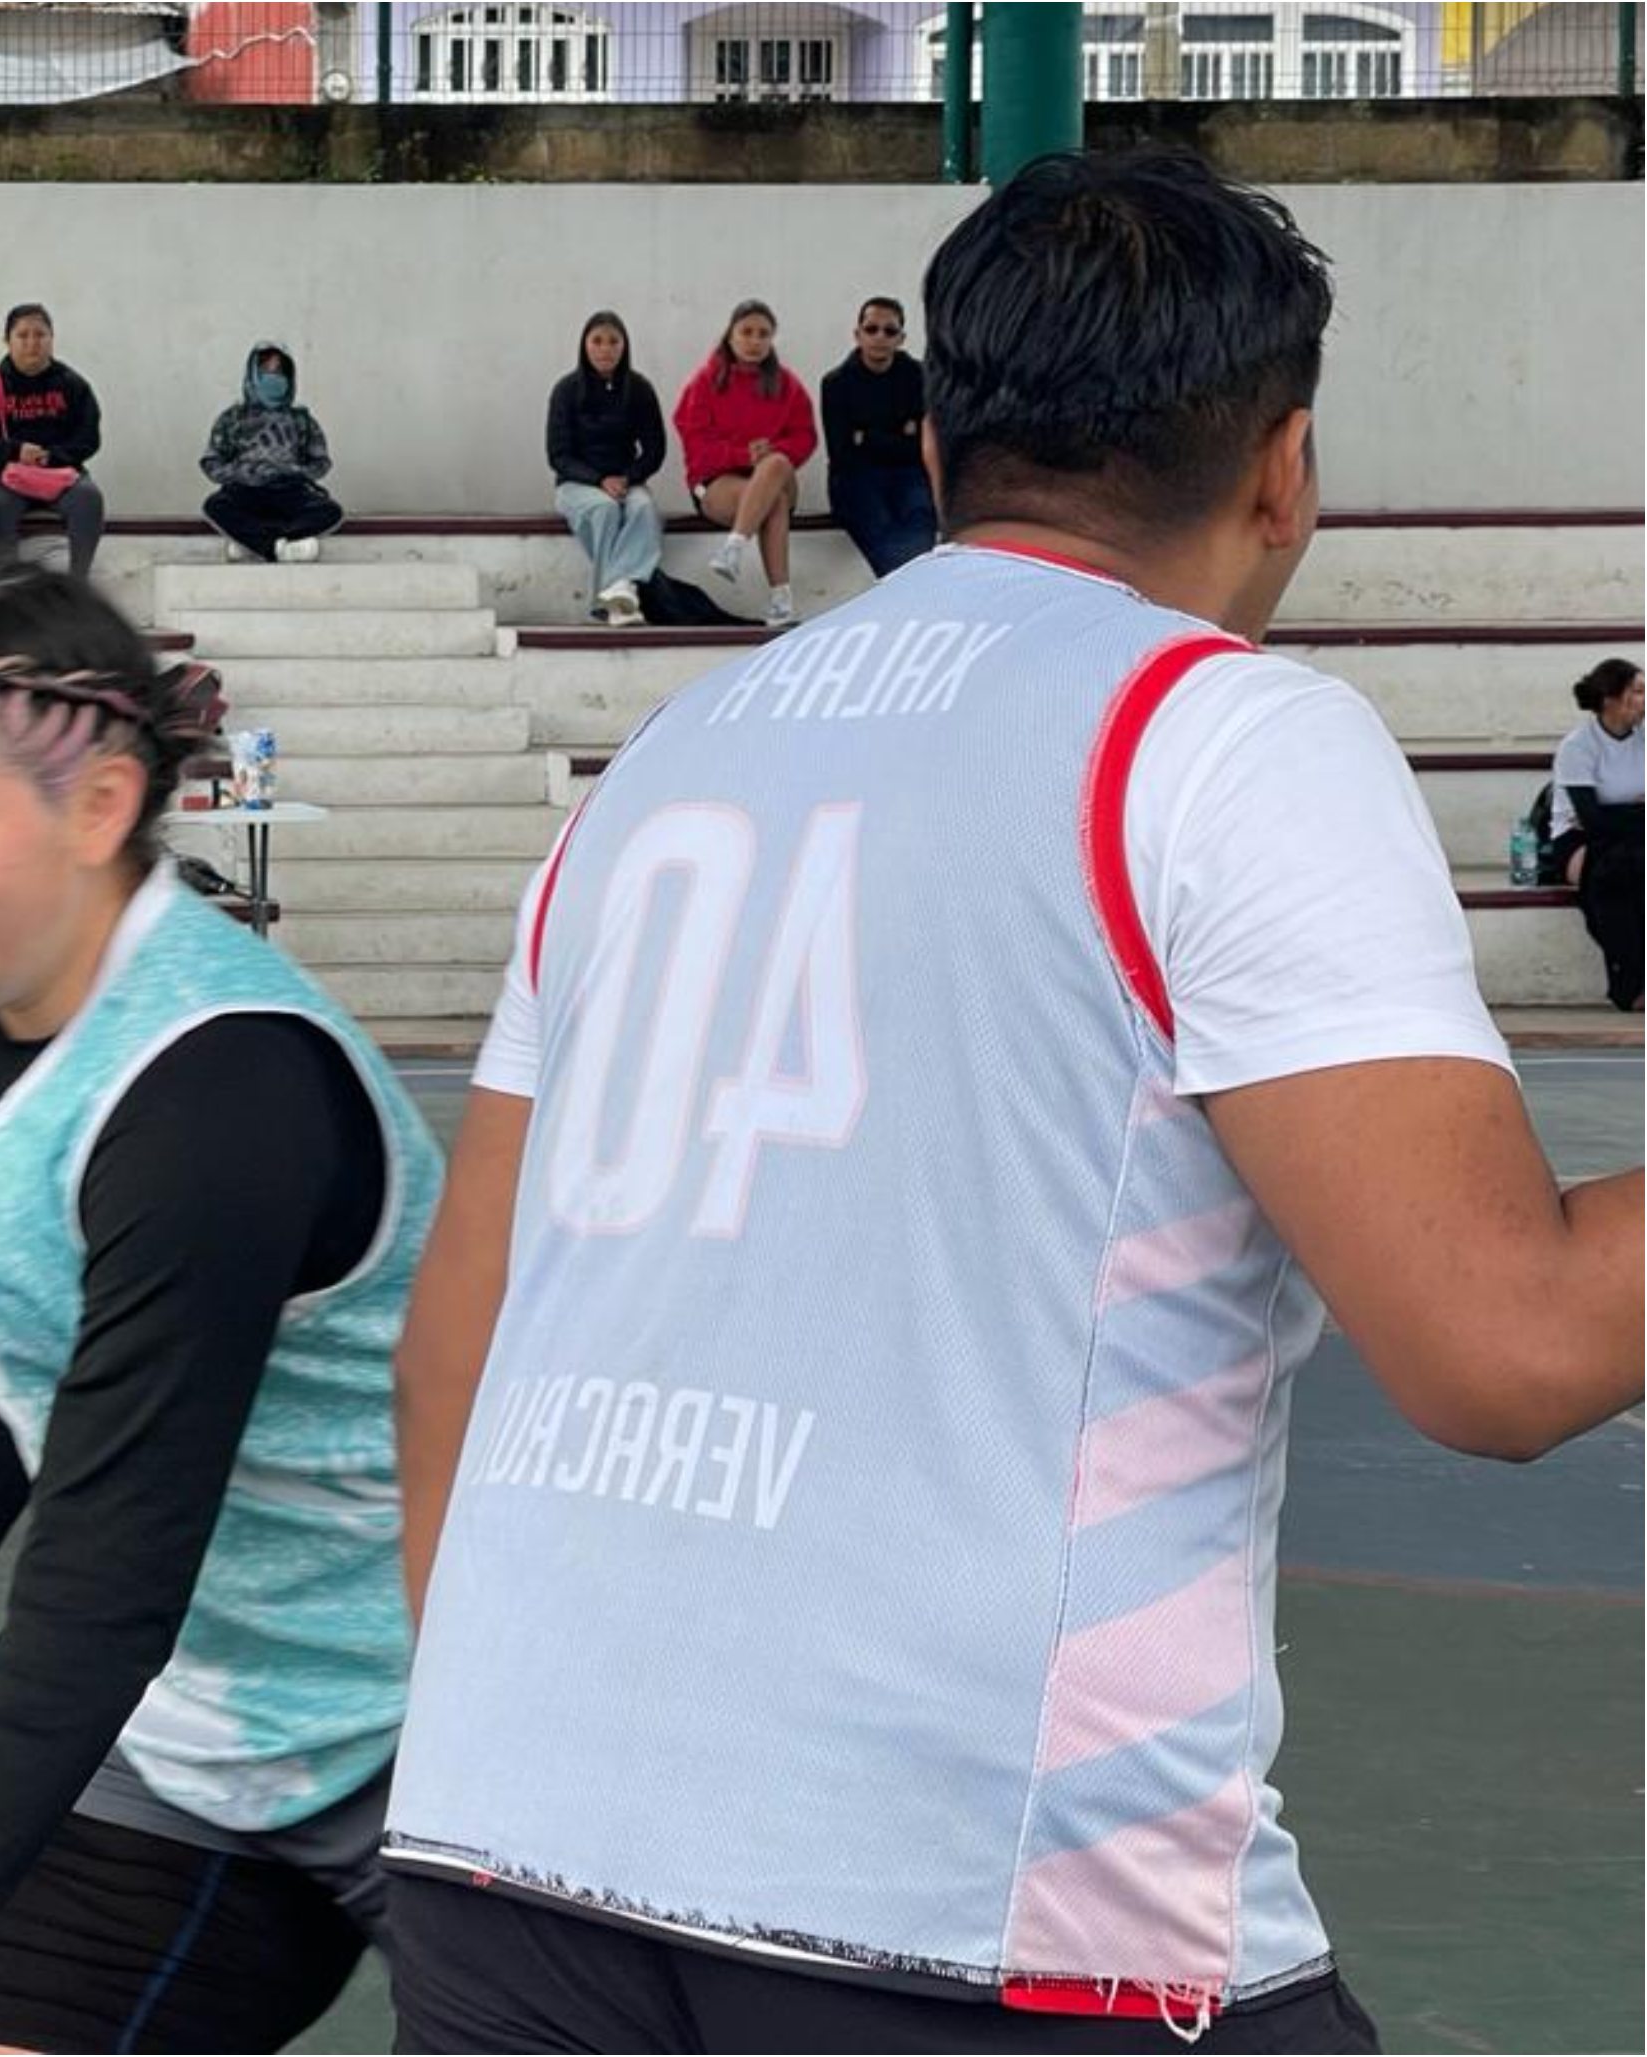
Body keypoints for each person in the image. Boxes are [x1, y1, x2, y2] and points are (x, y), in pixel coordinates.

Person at [385, 151, 1640, 2055]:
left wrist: (530, 1759)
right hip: (970, 1899)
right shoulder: (1217, 738)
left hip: (503, 1844)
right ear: (1282, 466)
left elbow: (448, 1351)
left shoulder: (655, 768)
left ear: (935, 436)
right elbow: (1504, 1341)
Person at [0, 560, 441, 2055]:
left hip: (450, 1737)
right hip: (203, 1741)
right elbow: (42, 1312)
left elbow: (103, 1587)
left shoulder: (217, 1086)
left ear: (98, 805)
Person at [673, 298, 818, 627]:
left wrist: (771, 450)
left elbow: (805, 436)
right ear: (731, 335)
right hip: (720, 483)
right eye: (747, 332)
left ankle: (734, 546)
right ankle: (781, 599)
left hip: (776, 473)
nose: (755, 341)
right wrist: (743, 455)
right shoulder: (705, 382)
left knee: (776, 464)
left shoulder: (787, 384)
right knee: (773, 501)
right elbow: (697, 444)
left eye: (763, 334)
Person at [0, 302, 108, 581]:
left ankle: (77, 585)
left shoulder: (73, 385)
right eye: (23, 335)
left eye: (40, 335)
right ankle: (4, 587)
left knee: (88, 499)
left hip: (61, 473)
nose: (32, 343)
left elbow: (88, 438)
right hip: (5, 476)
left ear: (52, 338)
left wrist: (51, 457)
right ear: (7, 341)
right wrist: (15, 452)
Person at [544, 310, 669, 626]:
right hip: (576, 485)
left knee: (643, 508)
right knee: (605, 510)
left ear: (624, 346)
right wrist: (599, 480)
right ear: (584, 345)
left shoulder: (639, 389)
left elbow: (655, 449)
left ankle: (616, 594)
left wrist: (628, 478)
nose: (605, 349)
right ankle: (619, 596)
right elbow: (558, 455)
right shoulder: (566, 390)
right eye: (597, 341)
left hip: (626, 481)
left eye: (614, 341)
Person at [1547, 656, 1643, 1009]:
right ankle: (1631, 983)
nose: (1645, 700)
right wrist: (1635, 810)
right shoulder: (1578, 746)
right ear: (1610, 700)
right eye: (1638, 692)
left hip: (1632, 835)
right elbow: (1592, 819)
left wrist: (1621, 813)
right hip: (1579, 840)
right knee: (1618, 871)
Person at [821, 295, 938, 578]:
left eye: (890, 331)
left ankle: (906, 587)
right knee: (880, 527)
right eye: (871, 329)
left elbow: (924, 446)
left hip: (909, 475)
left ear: (901, 338)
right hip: (855, 479)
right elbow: (842, 453)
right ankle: (912, 587)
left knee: (921, 516)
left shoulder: (920, 377)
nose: (880, 337)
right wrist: (901, 436)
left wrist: (868, 438)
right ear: (857, 334)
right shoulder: (836, 383)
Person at [201, 341, 343, 564]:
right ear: (254, 373)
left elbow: (320, 462)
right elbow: (212, 462)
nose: (274, 377)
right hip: (245, 490)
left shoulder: (301, 420)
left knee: (329, 511)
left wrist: (293, 471)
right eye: (266, 370)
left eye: (279, 371)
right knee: (216, 506)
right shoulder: (232, 419)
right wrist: (242, 472)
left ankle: (254, 544)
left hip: (289, 490)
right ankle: (276, 547)